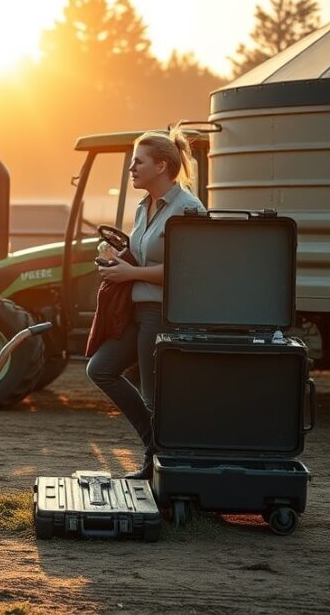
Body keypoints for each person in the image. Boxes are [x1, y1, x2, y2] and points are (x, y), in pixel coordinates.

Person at [86, 126, 206, 480]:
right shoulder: (144, 206)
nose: (131, 169)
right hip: (137, 312)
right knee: (100, 368)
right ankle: (156, 449)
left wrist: (130, 275)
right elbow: (142, 255)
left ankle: (162, 466)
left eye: (138, 162)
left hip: (163, 315)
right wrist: (118, 260)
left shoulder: (188, 210)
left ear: (162, 166)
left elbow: (187, 272)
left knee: (153, 397)